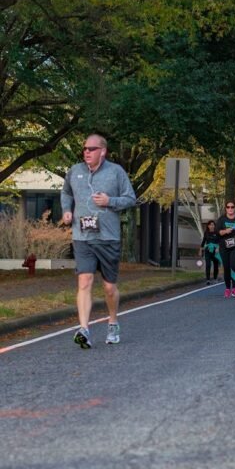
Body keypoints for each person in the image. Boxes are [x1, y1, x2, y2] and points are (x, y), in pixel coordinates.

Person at [61, 133, 136, 349]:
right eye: (85, 148)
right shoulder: (75, 171)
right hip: (82, 237)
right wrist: (67, 210)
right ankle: (84, 329)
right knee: (84, 280)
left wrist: (109, 201)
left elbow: (130, 199)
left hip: (108, 237)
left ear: (102, 151)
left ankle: (113, 322)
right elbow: (66, 193)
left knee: (109, 287)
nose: (86, 152)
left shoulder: (116, 172)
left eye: (91, 149)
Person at [216, 201, 235, 297]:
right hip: (224, 246)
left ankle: (234, 288)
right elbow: (217, 232)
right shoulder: (221, 219)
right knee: (226, 268)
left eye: (232, 207)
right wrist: (225, 231)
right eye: (228, 207)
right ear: (226, 208)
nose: (230, 209)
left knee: (234, 265)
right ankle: (227, 288)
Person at [199, 219, 221, 284]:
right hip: (208, 250)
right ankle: (208, 279)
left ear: (214, 226)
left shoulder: (217, 233)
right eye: (210, 225)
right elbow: (203, 242)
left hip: (215, 250)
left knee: (215, 265)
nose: (212, 226)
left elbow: (220, 241)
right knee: (208, 265)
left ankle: (215, 278)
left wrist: (218, 248)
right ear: (208, 226)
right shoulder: (206, 233)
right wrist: (200, 250)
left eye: (213, 225)